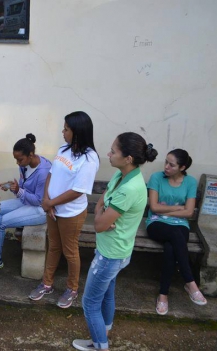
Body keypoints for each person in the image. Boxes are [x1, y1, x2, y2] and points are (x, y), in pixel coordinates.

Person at [72, 132, 157, 351]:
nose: (108, 154)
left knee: (89, 303)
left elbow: (98, 224)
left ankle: (100, 346)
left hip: (110, 255)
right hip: (116, 250)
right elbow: (101, 202)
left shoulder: (129, 188)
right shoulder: (122, 176)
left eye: (113, 151)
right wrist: (103, 212)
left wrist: (101, 215)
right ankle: (105, 332)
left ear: (128, 158)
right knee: (107, 293)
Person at [28, 112, 99, 308]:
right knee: (54, 247)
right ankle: (47, 283)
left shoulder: (89, 158)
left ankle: (72, 288)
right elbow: (51, 173)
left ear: (77, 132)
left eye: (66, 129)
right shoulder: (64, 149)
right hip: (53, 209)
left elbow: (78, 191)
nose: (63, 131)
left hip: (71, 213)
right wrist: (46, 199)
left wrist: (51, 203)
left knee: (70, 251)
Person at [146, 149, 207, 315]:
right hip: (156, 223)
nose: (166, 166)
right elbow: (154, 207)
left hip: (180, 225)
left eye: (171, 165)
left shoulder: (190, 182)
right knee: (174, 236)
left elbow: (189, 213)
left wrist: (165, 210)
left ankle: (163, 294)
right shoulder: (156, 178)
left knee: (171, 248)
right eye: (166, 162)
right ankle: (189, 281)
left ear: (182, 167)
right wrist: (177, 208)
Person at [0, 133, 52, 271]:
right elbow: (23, 188)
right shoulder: (24, 165)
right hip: (26, 201)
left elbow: (38, 200)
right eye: (16, 159)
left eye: (20, 159)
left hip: (40, 209)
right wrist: (12, 187)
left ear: (31, 154)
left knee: (2, 221)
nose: (18, 163)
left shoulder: (43, 172)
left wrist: (18, 191)